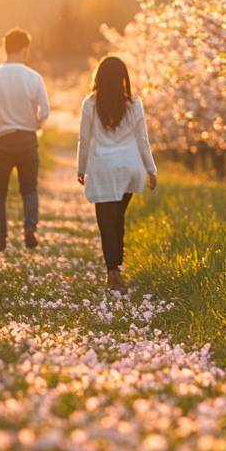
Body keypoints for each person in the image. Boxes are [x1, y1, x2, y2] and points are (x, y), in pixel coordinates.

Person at [77, 54, 157, 292]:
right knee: (117, 218)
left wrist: (81, 168)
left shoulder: (90, 103)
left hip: (102, 168)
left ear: (98, 77)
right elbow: (143, 141)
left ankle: (113, 271)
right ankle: (117, 266)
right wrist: (151, 170)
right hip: (129, 168)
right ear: (123, 78)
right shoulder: (134, 105)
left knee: (106, 222)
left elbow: (84, 138)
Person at [0, 27, 50, 252]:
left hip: (2, 142)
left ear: (5, 48)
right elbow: (45, 110)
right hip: (27, 140)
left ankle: (0, 238)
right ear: (25, 49)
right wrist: (35, 125)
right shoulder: (34, 77)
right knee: (29, 189)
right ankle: (30, 228)